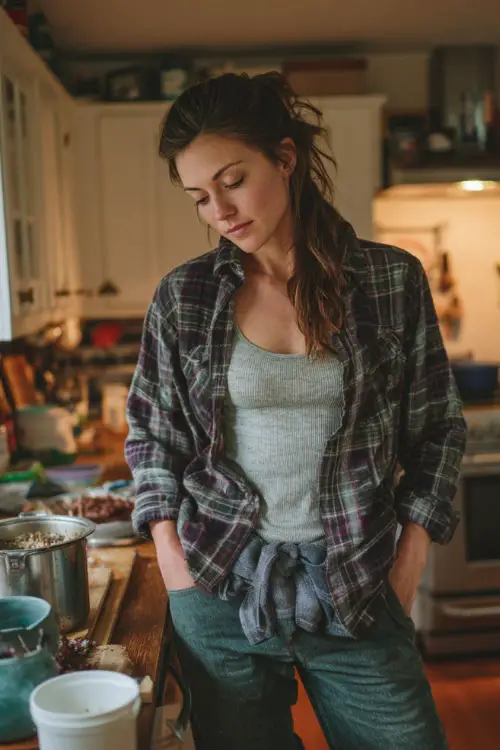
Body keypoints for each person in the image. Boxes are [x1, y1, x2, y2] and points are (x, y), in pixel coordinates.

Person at [125, 71, 467, 750]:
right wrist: (174, 565)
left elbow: (439, 430)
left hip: (357, 582)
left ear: (285, 158)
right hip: (220, 583)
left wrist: (411, 557)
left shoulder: (388, 280)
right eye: (199, 196)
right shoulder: (184, 297)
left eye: (232, 179)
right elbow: (152, 438)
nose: (219, 209)